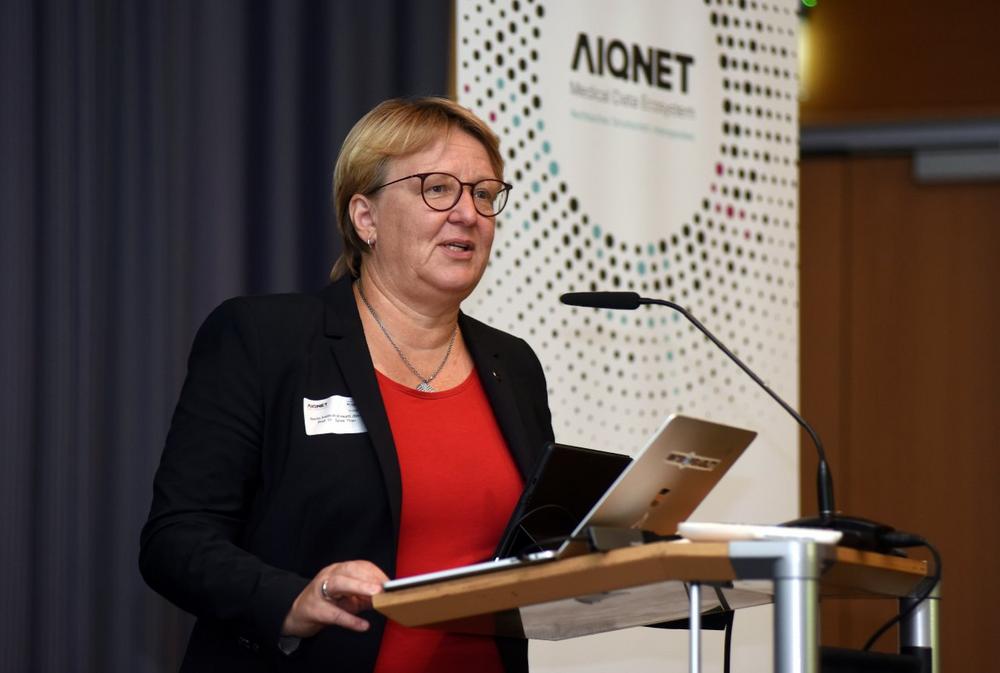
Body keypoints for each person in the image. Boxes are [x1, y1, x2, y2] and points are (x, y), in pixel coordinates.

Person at [139, 97, 554, 673]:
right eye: (438, 188)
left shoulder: (514, 365)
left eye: (484, 194)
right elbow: (176, 539)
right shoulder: (267, 339)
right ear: (365, 218)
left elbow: (531, 555)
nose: (468, 214)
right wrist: (291, 600)